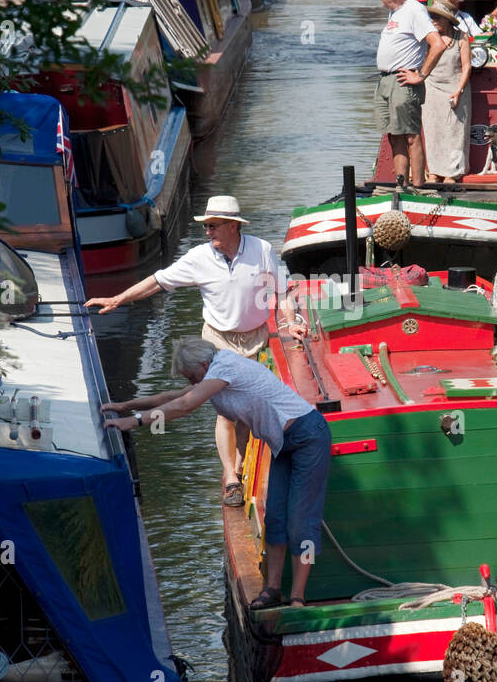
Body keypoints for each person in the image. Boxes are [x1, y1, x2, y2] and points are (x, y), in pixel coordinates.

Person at [85, 195, 307, 507]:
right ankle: (231, 477)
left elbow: (283, 292)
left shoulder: (262, 251)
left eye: (213, 226)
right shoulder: (199, 257)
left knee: (244, 411)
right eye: (206, 226)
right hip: (216, 341)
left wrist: (291, 322)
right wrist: (117, 299)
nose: (207, 232)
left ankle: (241, 467)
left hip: (254, 339)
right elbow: (157, 282)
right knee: (225, 411)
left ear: (233, 226)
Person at [103, 337, 332, 608]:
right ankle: (272, 590)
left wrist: (133, 423)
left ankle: (297, 597)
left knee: (301, 523)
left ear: (203, 364)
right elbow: (173, 398)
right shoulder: (213, 373)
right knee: (276, 519)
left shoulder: (225, 367)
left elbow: (185, 406)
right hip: (282, 444)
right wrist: (126, 406)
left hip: (309, 438)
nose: (191, 383)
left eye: (191, 376)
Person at [374, 0, 447, 187]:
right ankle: (401, 185)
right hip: (386, 81)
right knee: (394, 135)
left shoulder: (414, 10)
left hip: (403, 81)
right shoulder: (396, 12)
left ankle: (418, 187)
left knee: (410, 135)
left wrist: (421, 75)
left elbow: (438, 44)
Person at [422, 1, 473, 184]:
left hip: (455, 87)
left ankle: (453, 172)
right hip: (432, 87)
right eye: (431, 17)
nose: (433, 20)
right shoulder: (429, 38)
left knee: (456, 131)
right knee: (433, 129)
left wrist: (459, 90)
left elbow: (467, 65)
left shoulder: (461, 37)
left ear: (447, 20)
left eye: (437, 17)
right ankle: (434, 171)